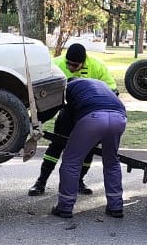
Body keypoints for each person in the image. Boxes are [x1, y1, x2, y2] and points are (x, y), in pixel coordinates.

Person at [28, 42, 118, 197]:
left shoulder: (97, 66)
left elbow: (112, 90)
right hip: (66, 110)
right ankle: (41, 182)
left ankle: (79, 181)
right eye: (68, 63)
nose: (70, 67)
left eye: (75, 65)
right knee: (57, 145)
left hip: (90, 112)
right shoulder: (55, 65)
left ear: (83, 62)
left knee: (89, 148)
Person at [51, 77, 128, 219]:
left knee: (71, 161)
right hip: (119, 117)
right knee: (111, 162)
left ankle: (65, 207)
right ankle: (116, 207)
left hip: (92, 117)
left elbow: (64, 114)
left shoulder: (68, 87)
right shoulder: (100, 84)